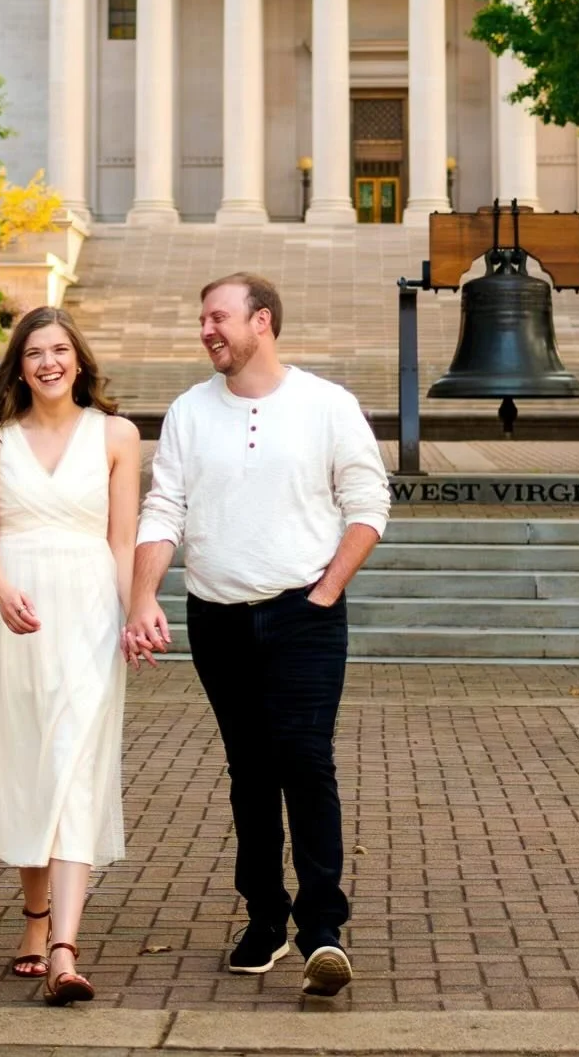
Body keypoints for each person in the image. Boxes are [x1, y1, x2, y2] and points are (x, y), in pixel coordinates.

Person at [124, 273, 390, 997]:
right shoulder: (187, 410)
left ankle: (323, 930)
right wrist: (143, 595)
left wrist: (327, 588)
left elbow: (368, 501)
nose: (206, 329)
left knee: (305, 763)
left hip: (303, 614)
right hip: (215, 616)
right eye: (201, 319)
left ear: (260, 321)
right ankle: (265, 917)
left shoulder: (325, 404)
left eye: (217, 317)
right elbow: (163, 508)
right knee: (249, 771)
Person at [0, 306, 141, 1007]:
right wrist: (0, 592)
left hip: (87, 611)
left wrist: (135, 609)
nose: (48, 361)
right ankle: (33, 919)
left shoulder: (117, 435)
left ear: (79, 360)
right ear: (17, 366)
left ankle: (63, 946)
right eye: (33, 352)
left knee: (73, 761)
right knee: (29, 759)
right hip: (11, 612)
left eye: (59, 349)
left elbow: (122, 540)